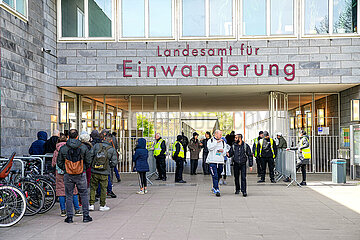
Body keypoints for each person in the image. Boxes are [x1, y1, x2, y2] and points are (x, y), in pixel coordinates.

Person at [57, 129, 92, 223]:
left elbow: (59, 162)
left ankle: (69, 217)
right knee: (84, 194)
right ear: (77, 136)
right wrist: (83, 168)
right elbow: (88, 160)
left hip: (68, 174)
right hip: (81, 173)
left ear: (68, 136)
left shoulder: (63, 148)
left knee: (69, 195)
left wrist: (66, 168)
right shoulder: (83, 147)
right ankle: (85, 216)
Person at [52, 134, 81, 217]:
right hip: (70, 171)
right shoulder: (70, 148)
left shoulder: (56, 151)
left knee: (61, 191)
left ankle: (63, 211)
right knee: (74, 191)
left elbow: (53, 163)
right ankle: (77, 209)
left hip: (59, 172)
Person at [89, 133, 118, 211]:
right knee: (103, 188)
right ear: (111, 140)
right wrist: (108, 166)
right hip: (104, 172)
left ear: (104, 139)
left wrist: (92, 165)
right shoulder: (112, 149)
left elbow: (90, 156)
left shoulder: (96, 146)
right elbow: (114, 162)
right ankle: (102, 205)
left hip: (94, 170)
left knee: (93, 187)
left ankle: (91, 204)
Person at [206, 130, 228, 197]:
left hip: (220, 161)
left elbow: (225, 151)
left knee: (218, 175)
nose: (221, 136)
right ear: (216, 134)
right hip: (212, 161)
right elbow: (209, 148)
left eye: (221, 134)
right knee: (214, 175)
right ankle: (217, 189)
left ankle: (214, 186)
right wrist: (216, 142)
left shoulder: (223, 142)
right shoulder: (211, 141)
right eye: (220, 134)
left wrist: (223, 151)